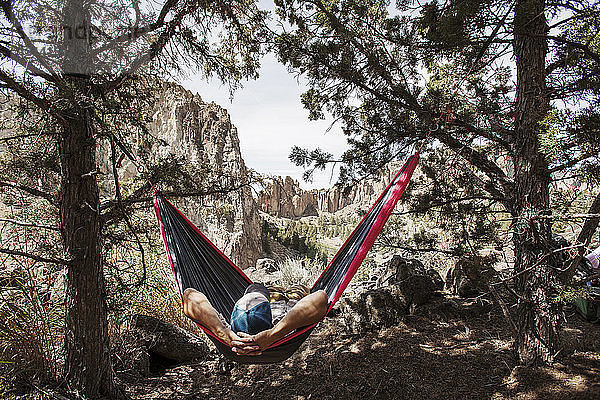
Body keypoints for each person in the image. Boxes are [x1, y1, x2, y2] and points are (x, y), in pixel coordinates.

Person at [182, 283, 328, 356]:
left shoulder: (226, 327)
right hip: (292, 302)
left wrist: (224, 332)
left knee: (256, 287)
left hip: (235, 333)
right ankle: (264, 293)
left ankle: (259, 292)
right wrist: (273, 335)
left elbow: (189, 295)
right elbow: (321, 298)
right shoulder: (282, 327)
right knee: (296, 288)